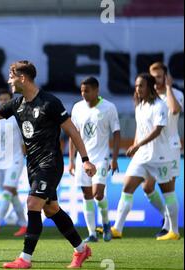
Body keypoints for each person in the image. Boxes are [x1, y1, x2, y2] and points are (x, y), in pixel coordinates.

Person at [0, 60, 97, 269]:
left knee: (33, 204)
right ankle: (82, 250)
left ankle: (24, 259)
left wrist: (85, 159)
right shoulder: (17, 104)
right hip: (33, 166)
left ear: (22, 78)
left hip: (51, 163)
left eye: (12, 76)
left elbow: (72, 131)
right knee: (52, 209)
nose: (9, 80)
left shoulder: (49, 102)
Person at [111, 73, 178, 239]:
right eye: (136, 86)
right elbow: (140, 130)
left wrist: (137, 145)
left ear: (150, 87)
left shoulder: (160, 106)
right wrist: (135, 147)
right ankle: (117, 229)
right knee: (127, 187)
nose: (137, 89)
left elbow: (157, 130)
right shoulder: (139, 106)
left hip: (160, 156)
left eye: (141, 86)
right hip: (142, 156)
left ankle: (174, 231)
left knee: (168, 193)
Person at [69, 77, 120, 242]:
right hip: (82, 159)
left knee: (98, 194)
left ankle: (105, 223)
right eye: (82, 91)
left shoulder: (109, 107)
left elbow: (116, 133)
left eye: (87, 91)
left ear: (96, 90)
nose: (84, 94)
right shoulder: (77, 108)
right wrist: (71, 160)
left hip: (101, 157)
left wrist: (114, 158)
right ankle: (92, 233)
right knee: (86, 194)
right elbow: (73, 134)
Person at [139, 62, 183, 240]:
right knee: (147, 187)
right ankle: (167, 215)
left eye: (159, 77)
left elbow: (174, 110)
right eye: (153, 77)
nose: (155, 80)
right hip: (152, 149)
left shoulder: (176, 95)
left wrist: (169, 88)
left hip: (170, 148)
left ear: (166, 77)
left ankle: (170, 228)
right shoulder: (149, 99)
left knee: (168, 189)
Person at [0, 88, 27, 237]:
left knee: (8, 189)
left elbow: (25, 140)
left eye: (6, 99)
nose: (3, 102)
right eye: (1, 99)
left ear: (11, 101)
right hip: (0, 161)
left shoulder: (17, 117)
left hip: (15, 160)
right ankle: (24, 224)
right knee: (11, 193)